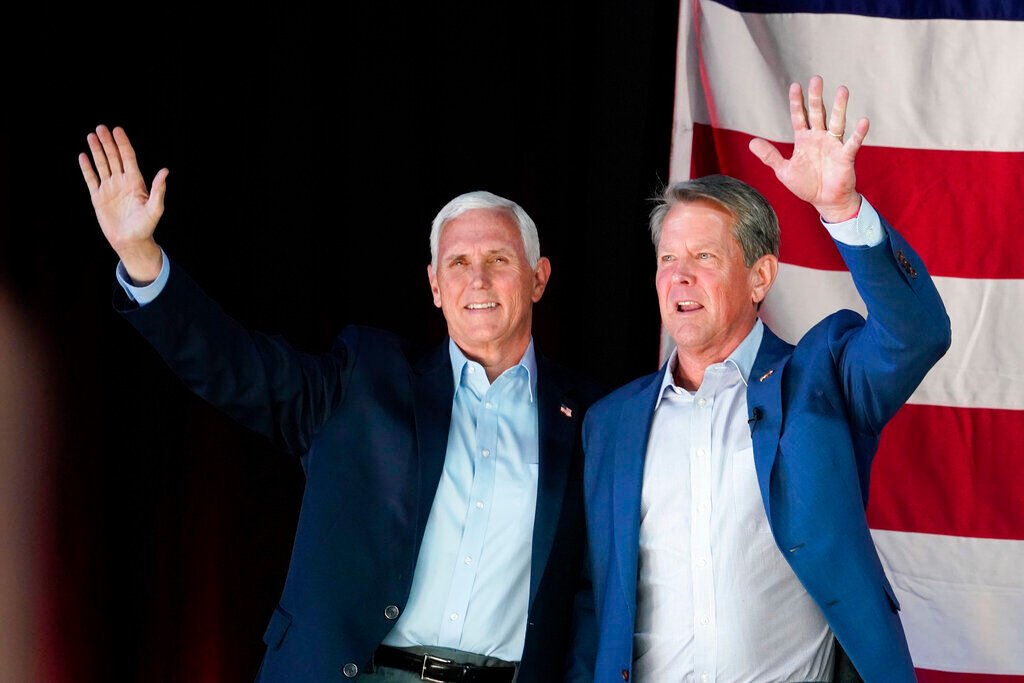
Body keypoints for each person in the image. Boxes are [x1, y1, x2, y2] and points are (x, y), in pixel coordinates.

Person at [79, 127, 602, 682]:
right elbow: (237, 368)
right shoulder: (366, 378)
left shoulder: (594, 419)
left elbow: (596, 594)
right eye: (457, 263)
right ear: (434, 286)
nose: (477, 278)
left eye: (498, 259)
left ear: (538, 277)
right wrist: (140, 255)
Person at [572, 76, 951, 682]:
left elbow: (918, 333)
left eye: (705, 257)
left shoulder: (820, 379)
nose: (680, 277)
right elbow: (596, 599)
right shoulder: (610, 422)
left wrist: (841, 211)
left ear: (760, 276)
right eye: (669, 259)